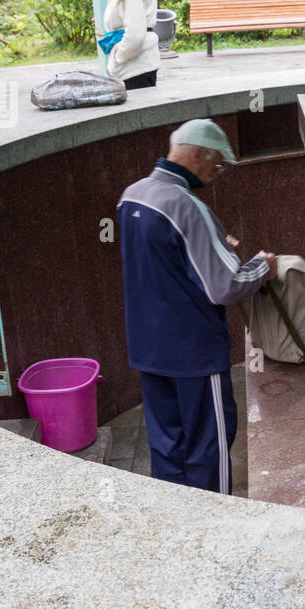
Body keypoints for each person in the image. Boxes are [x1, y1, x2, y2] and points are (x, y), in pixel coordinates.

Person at [117, 119, 277, 492]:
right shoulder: (187, 206)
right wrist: (261, 267)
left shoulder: (131, 195)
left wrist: (214, 250)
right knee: (209, 446)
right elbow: (224, 287)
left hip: (147, 348)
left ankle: (176, 522)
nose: (216, 173)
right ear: (197, 154)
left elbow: (164, 263)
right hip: (193, 352)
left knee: (167, 445)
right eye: (216, 164)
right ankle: (217, 528)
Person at [93, 0, 160, 90]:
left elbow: (135, 35)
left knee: (140, 111)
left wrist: (119, 56)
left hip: (136, 67)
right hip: (133, 65)